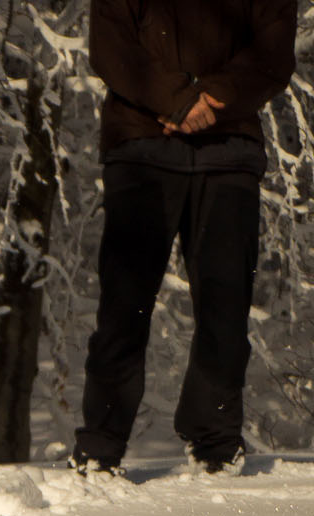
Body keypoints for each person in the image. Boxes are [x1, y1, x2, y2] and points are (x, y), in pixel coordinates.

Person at [75, 0, 297, 477]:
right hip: (142, 143)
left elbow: (274, 53)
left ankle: (215, 445)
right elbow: (111, 46)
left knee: (226, 304)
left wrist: (211, 99)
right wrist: (176, 99)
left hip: (228, 147)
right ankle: (100, 446)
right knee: (125, 304)